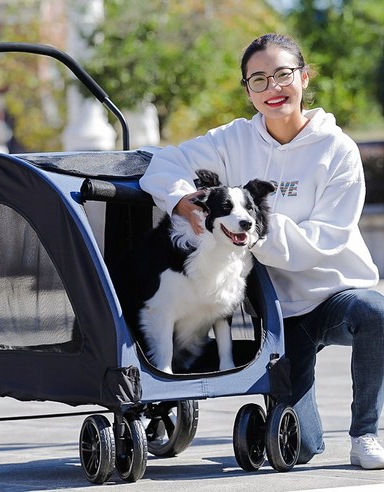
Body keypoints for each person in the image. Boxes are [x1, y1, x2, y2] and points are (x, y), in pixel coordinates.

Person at [139, 33, 384, 469]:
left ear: (304, 78)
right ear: (248, 91)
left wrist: (253, 232)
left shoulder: (338, 150)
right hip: (272, 313)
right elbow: (165, 164)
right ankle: (286, 412)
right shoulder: (232, 140)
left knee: (377, 313)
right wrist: (181, 199)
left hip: (332, 297)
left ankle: (366, 434)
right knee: (300, 448)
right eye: (259, 80)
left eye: (284, 75)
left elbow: (324, 239)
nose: (273, 88)